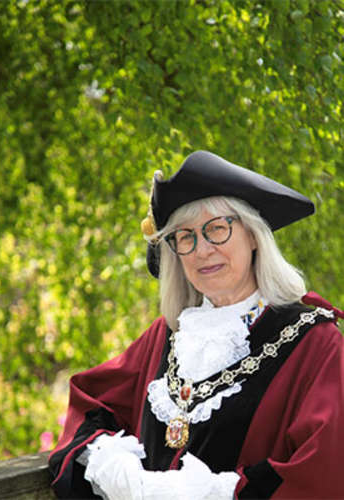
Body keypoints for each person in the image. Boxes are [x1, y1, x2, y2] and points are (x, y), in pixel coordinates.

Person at [48, 151, 344, 499]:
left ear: (252, 235)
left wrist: (215, 493)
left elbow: (324, 468)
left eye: (217, 229)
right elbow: (91, 403)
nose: (202, 250)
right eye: (186, 237)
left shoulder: (315, 341)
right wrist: (114, 465)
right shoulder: (169, 335)